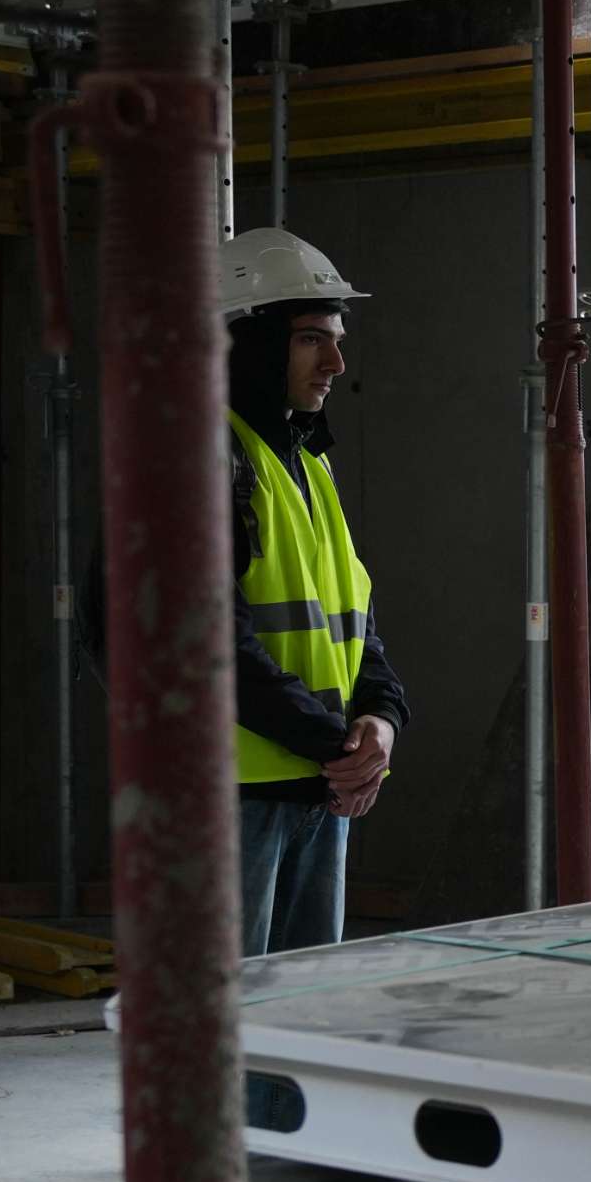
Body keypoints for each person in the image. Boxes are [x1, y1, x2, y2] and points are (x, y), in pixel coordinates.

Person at [217, 228, 412, 955]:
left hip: (317, 792)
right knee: (229, 1030)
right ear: (245, 342)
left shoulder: (305, 465)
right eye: (309, 340)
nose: (335, 362)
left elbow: (355, 628)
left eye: (335, 338)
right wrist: (344, 750)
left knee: (296, 1024)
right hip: (233, 799)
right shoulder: (204, 462)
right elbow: (206, 651)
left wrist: (381, 725)